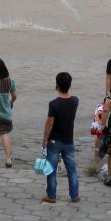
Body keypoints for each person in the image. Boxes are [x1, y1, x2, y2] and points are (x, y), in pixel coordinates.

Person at [41, 72, 80, 203]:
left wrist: (45, 139)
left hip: (54, 141)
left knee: (51, 170)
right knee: (71, 169)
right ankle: (74, 195)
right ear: (70, 85)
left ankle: (51, 195)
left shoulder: (53, 104)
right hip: (69, 141)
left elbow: (49, 122)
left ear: (56, 86)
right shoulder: (75, 101)